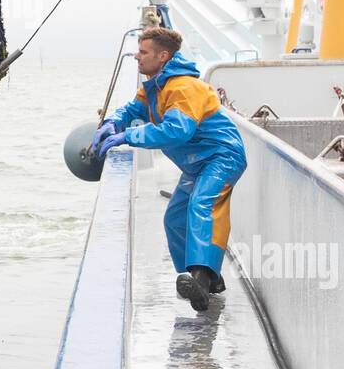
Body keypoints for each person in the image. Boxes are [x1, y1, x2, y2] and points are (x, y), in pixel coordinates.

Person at [94, 26, 246, 313]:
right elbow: (131, 111)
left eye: (143, 52)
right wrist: (113, 123)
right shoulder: (154, 88)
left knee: (203, 205)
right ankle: (205, 280)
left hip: (221, 157)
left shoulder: (182, 88)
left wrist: (128, 137)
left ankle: (201, 278)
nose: (136, 57)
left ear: (163, 56)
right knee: (174, 220)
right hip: (197, 164)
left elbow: (177, 131)